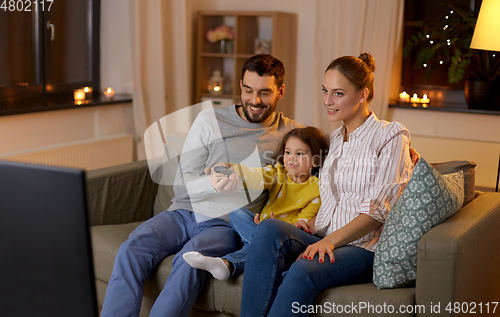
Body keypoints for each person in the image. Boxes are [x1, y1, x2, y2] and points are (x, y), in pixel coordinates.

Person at [100, 54, 302, 317]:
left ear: (281, 91)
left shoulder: (291, 135)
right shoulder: (210, 121)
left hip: (226, 224)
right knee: (131, 249)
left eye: (265, 93)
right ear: (240, 85)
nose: (254, 100)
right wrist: (214, 184)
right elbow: (182, 186)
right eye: (248, 90)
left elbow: (301, 182)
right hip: (182, 213)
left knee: (189, 262)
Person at [240, 53, 415, 317]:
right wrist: (309, 226)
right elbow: (328, 198)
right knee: (268, 229)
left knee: (304, 267)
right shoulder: (331, 141)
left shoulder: (391, 135)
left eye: (338, 93)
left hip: (363, 247)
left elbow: (380, 209)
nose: (327, 101)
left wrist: (331, 241)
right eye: (325, 91)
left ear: (362, 94)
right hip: (323, 236)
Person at [183, 126, 330, 281]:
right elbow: (256, 176)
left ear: (315, 160)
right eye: (288, 152)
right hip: (260, 229)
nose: (291, 158)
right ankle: (242, 259)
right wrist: (229, 168)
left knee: (265, 240)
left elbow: (302, 225)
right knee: (238, 213)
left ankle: (228, 263)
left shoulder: (316, 189)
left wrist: (275, 226)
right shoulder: (278, 172)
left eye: (299, 154)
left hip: (283, 236)